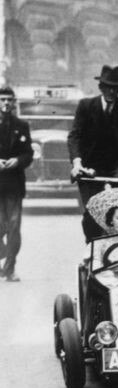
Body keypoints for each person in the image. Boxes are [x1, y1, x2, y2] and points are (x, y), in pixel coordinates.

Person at [67, 65, 118, 241]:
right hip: (89, 166)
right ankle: (92, 249)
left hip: (117, 165)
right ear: (100, 87)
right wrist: (77, 163)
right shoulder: (86, 106)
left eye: (115, 87)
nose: (111, 91)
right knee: (92, 212)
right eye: (107, 87)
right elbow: (75, 135)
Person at [0, 86, 33, 282]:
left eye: (9, 100)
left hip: (14, 185)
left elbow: (29, 154)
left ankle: (10, 268)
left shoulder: (22, 125)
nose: (5, 104)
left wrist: (18, 161)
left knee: (13, 227)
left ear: (14, 102)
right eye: (2, 99)